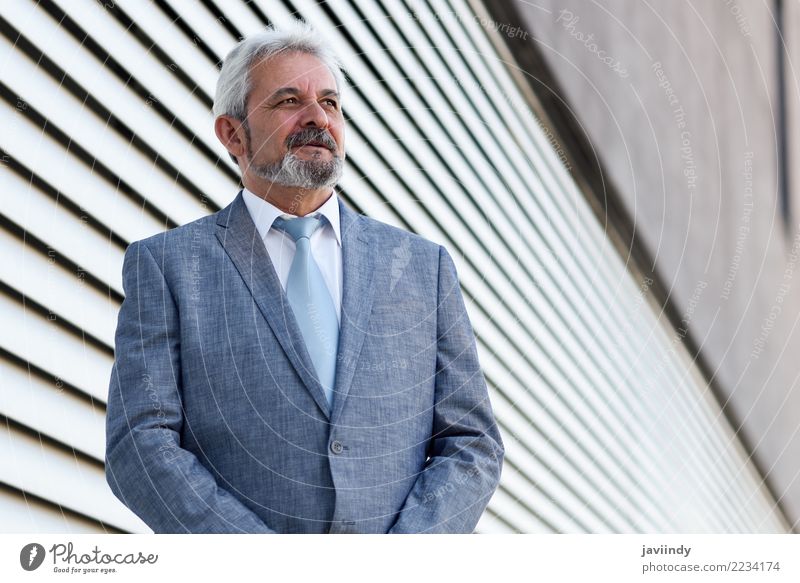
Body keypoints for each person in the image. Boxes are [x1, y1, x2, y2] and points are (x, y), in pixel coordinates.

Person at [105, 21, 504, 534]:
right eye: (289, 101)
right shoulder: (167, 267)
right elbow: (139, 445)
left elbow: (471, 442)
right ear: (233, 134)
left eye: (331, 103)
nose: (318, 118)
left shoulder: (422, 268)